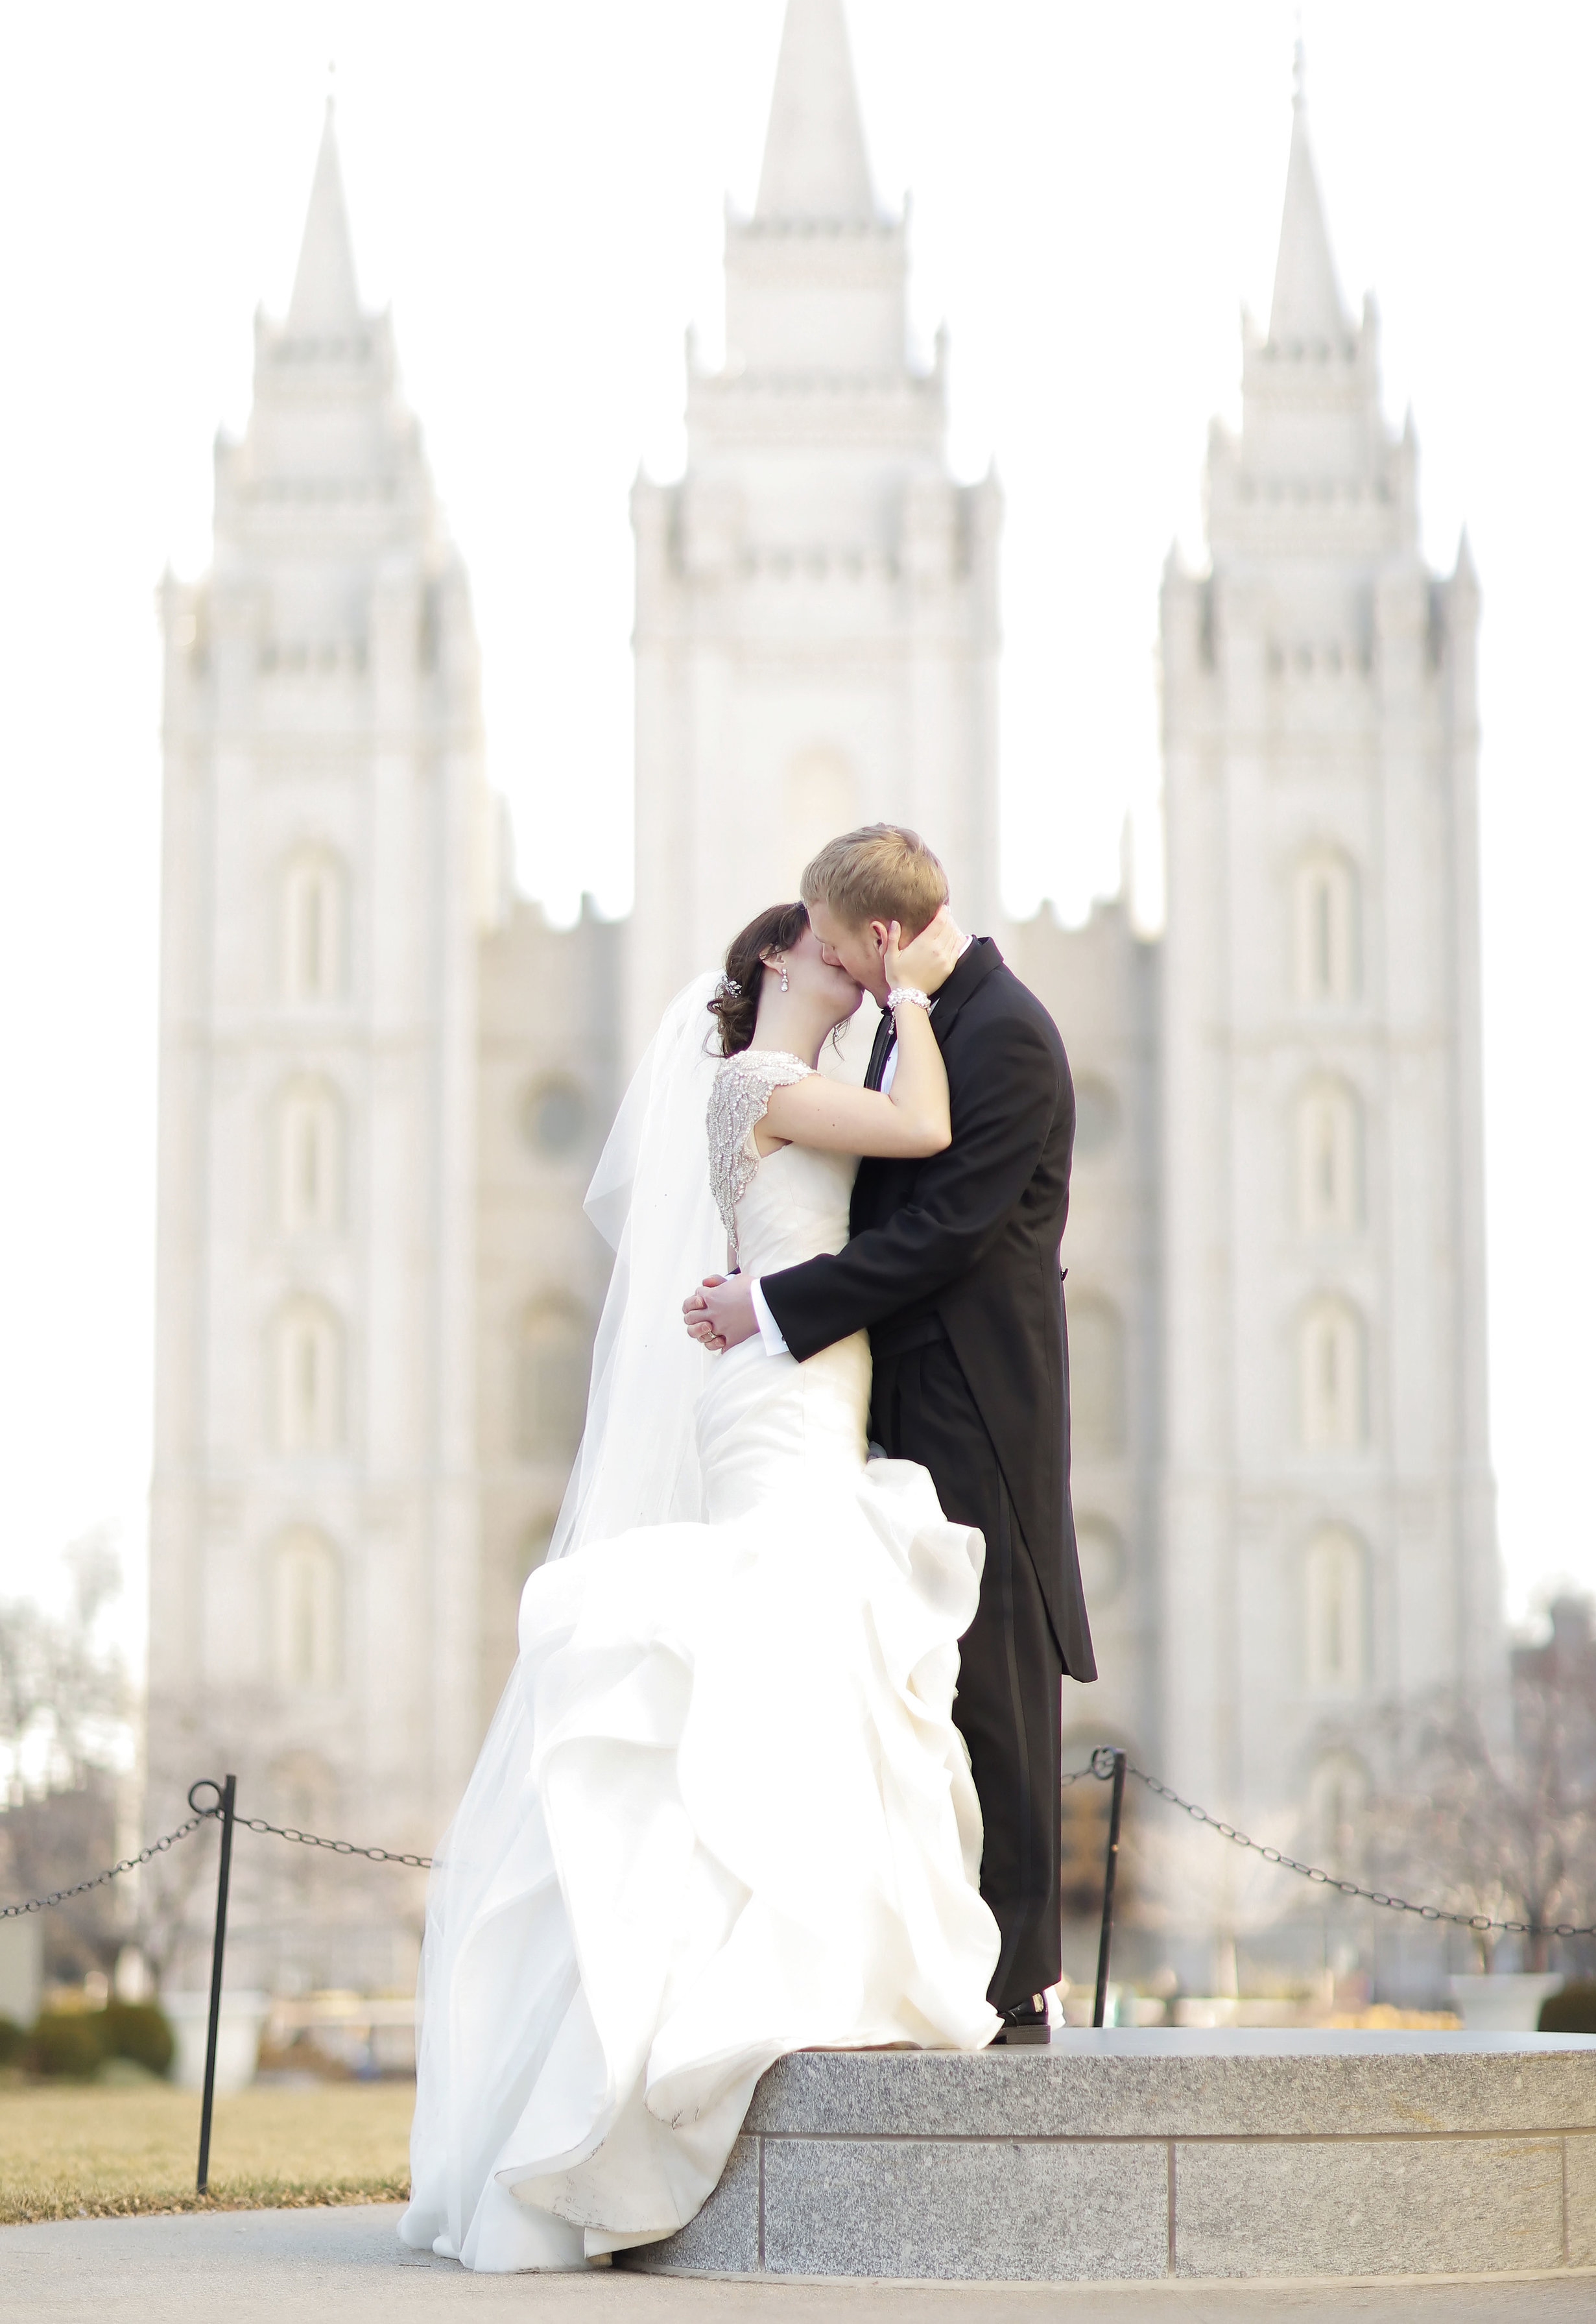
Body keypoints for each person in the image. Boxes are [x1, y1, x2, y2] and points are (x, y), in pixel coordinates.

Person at [399, 902, 1000, 2274]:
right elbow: (919, 1135)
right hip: (782, 1392)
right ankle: (722, 1987)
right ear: (773, 966)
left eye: (863, 947)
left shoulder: (792, 1086)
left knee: (792, 1653)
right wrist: (912, 1003)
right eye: (832, 947)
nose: (852, 961)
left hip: (786, 1371)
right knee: (780, 1641)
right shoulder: (757, 1081)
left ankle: (788, 1955)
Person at [685, 826, 1095, 2042]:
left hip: (978, 1398)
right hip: (885, 1390)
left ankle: (1015, 1973)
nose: (841, 976)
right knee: (924, 1676)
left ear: (878, 936)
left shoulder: (1005, 1032)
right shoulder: (913, 1028)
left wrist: (770, 1306)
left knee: (999, 1673)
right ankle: (931, 1947)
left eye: (840, 947)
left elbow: (951, 1231)